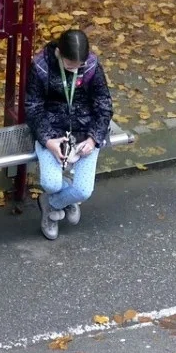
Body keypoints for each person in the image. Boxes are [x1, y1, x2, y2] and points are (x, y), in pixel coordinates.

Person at [24, 29, 113, 240]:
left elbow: (104, 105)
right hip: (53, 132)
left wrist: (93, 138)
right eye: (70, 64)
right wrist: (48, 140)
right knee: (51, 183)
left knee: (83, 191)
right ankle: (62, 199)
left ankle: (51, 205)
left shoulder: (90, 65)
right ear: (59, 53)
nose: (76, 69)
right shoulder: (41, 67)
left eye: (79, 65)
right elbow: (33, 107)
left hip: (85, 132)